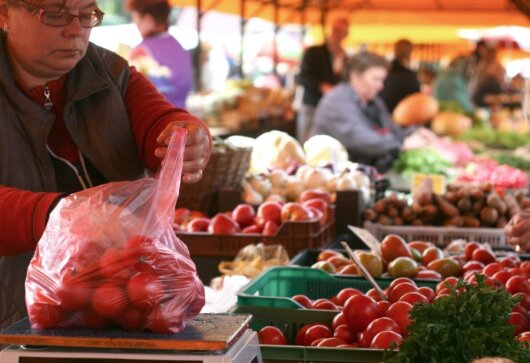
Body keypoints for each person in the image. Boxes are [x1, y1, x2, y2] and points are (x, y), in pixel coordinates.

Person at [0, 0, 212, 329]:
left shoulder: (109, 73)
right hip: (13, 314)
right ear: (4, 12)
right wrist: (64, 216)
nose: (75, 30)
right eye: (54, 14)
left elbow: (160, 117)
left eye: (87, 15)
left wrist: (188, 137)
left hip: (122, 302)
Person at [309, 51, 410, 173]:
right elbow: (362, 139)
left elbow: (390, 129)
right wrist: (403, 144)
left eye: (382, 80)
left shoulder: (374, 102)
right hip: (333, 177)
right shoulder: (337, 101)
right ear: (355, 76)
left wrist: (412, 134)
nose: (380, 86)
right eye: (376, 79)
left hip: (360, 174)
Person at [126, 0, 193, 108]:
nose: (135, 23)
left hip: (153, 118)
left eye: (136, 18)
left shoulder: (141, 51)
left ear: (148, 19)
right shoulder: (180, 49)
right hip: (181, 117)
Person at [295, 17, 349, 144]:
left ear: (346, 34)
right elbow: (302, 77)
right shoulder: (314, 52)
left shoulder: (344, 57)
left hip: (333, 109)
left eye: (342, 31)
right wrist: (321, 86)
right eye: (336, 30)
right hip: (312, 105)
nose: (338, 34)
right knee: (306, 142)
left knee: (327, 145)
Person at [379, 39, 420, 113]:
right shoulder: (409, 76)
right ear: (410, 52)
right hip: (402, 118)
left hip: (382, 116)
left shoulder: (383, 71)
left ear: (395, 51)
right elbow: (416, 101)